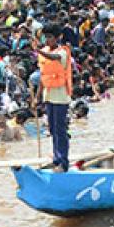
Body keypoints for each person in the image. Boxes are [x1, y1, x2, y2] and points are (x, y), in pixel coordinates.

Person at [33, 25, 72, 172]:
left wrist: (38, 50)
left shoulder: (62, 52)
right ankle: (56, 158)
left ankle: (63, 161)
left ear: (57, 38)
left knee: (60, 130)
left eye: (50, 37)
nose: (47, 40)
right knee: (52, 128)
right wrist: (37, 97)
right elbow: (44, 76)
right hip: (48, 95)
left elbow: (54, 58)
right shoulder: (44, 52)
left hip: (61, 96)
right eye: (46, 37)